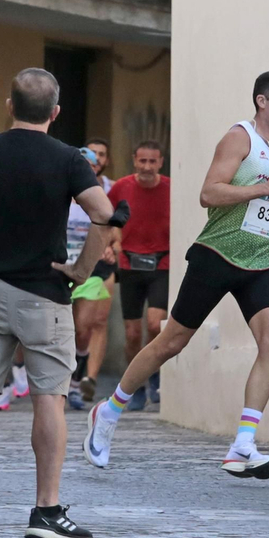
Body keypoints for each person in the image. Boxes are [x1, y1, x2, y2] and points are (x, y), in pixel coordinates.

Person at [83, 70, 269, 480]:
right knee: (170, 343)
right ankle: (108, 412)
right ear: (261, 101)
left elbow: (257, 204)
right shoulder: (240, 138)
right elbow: (209, 194)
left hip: (259, 260)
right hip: (216, 256)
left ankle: (243, 445)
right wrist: (264, 187)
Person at [0, 68, 113, 538]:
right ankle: (46, 512)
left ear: (9, 105)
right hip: (45, 293)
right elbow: (104, 214)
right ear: (55, 113)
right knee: (49, 401)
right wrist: (81, 270)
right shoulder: (69, 160)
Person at [106, 140, 170, 408]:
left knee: (156, 325)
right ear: (134, 160)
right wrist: (114, 244)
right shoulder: (121, 187)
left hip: (162, 264)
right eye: (142, 161)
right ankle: (135, 386)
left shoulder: (170, 188)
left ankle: (153, 372)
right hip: (130, 264)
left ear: (160, 162)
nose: (147, 166)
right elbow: (107, 219)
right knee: (132, 333)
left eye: (152, 161)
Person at [66, 141, 117, 410]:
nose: (92, 163)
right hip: (60, 265)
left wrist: (111, 247)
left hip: (92, 269)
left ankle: (78, 378)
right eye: (86, 159)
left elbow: (116, 230)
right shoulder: (60, 189)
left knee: (83, 327)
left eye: (98, 158)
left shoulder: (106, 192)